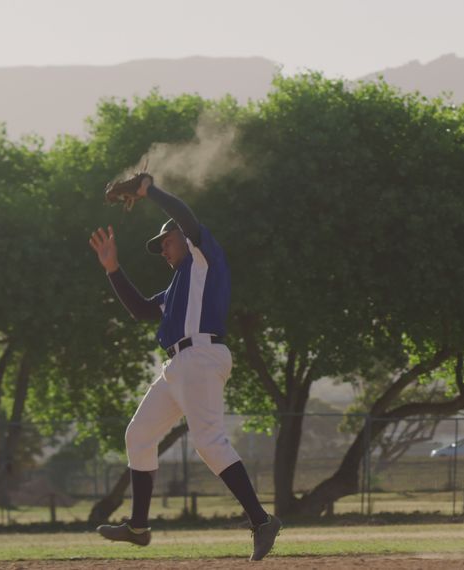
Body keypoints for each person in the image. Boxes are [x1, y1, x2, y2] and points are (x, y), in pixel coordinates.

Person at [88, 174, 280, 561]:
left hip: (202, 356)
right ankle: (139, 527)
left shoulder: (204, 259)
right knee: (139, 435)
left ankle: (261, 521)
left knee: (209, 442)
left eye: (166, 241)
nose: (163, 249)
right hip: (178, 366)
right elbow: (142, 309)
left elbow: (186, 218)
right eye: (160, 246)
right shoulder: (176, 286)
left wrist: (149, 192)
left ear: (184, 237)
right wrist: (113, 269)